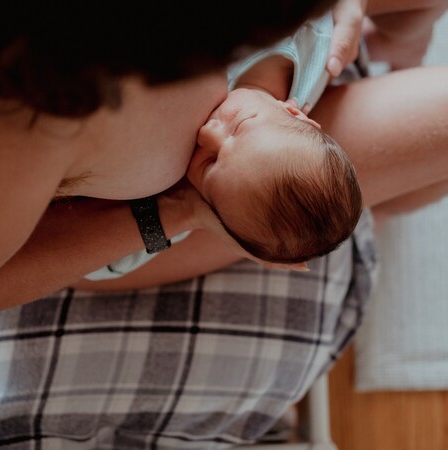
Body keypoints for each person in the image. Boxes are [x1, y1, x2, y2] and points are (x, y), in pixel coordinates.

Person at [0, 2, 447, 449]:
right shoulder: (24, 140)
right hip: (187, 210)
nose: (210, 132)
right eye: (211, 157)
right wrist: (184, 212)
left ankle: (392, 77)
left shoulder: (279, 83)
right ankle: (378, 211)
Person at [83, 13, 362, 283]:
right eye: (240, 124)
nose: (208, 133)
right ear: (296, 113)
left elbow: (103, 268)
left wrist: (189, 213)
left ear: (211, 210)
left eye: (210, 163)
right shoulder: (305, 40)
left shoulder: (194, 195)